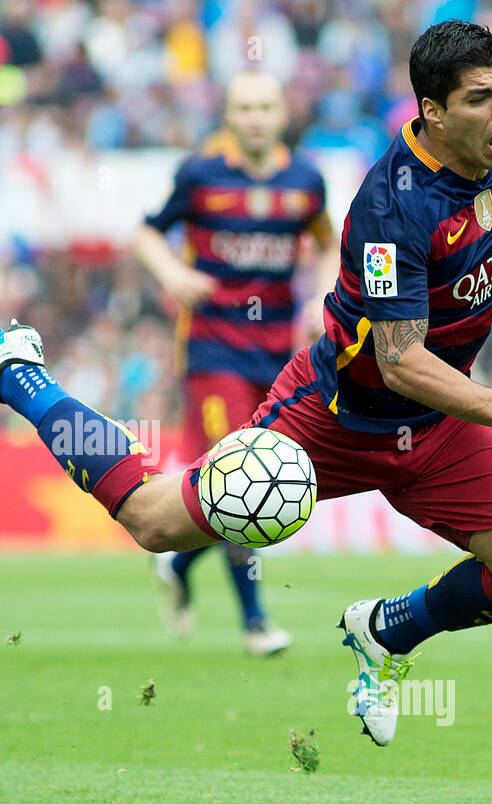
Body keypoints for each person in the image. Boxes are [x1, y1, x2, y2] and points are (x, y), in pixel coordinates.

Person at [0, 20, 492, 747]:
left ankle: (386, 631)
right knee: (153, 521)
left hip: (434, 423)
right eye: (482, 96)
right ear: (432, 110)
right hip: (335, 417)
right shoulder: (390, 208)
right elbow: (399, 360)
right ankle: (15, 370)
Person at [132, 69, 339, 656]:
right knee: (235, 473)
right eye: (244, 107)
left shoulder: (305, 181)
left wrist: (317, 300)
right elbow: (146, 235)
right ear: (228, 114)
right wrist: (174, 273)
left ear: (281, 114)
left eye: (265, 106)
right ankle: (255, 623)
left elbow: (328, 244)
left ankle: (179, 561)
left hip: (277, 355)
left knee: (254, 479)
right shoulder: (199, 176)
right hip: (212, 347)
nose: (255, 117)